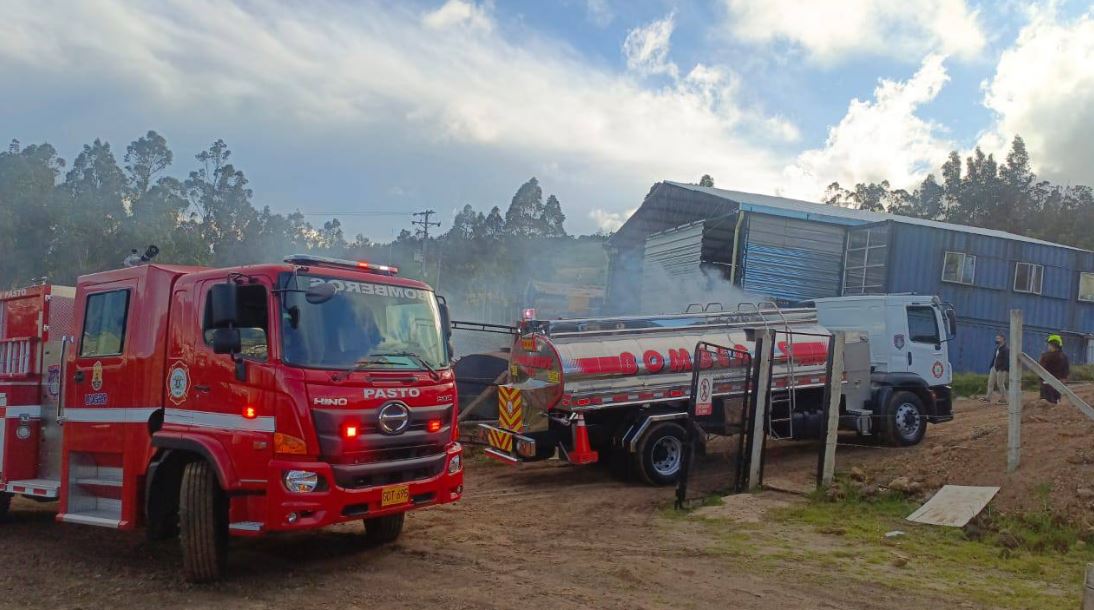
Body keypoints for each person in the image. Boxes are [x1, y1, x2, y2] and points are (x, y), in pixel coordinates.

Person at [1038, 334, 1069, 404]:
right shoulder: (1064, 357)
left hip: (1046, 385)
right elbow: (1065, 372)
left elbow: (1040, 369)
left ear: (1052, 345)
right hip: (1058, 385)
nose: (1048, 346)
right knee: (1056, 405)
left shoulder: (1046, 356)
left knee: (1046, 405)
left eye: (1049, 344)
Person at [983, 334, 1009, 404]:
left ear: (1003, 339)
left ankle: (1004, 399)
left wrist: (1003, 369)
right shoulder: (997, 348)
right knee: (990, 383)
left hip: (1001, 369)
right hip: (994, 367)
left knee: (1000, 384)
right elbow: (995, 358)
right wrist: (991, 365)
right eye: (996, 338)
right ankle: (988, 398)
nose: (996, 340)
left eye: (998, 338)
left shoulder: (1006, 349)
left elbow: (1007, 360)